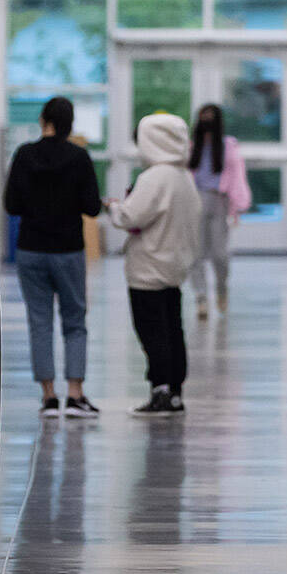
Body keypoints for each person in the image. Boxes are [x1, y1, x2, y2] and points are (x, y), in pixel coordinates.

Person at [3, 97, 103, 418]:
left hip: (31, 249)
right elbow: (92, 207)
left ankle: (48, 397)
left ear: (43, 119)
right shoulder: (79, 157)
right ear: (71, 123)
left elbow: (12, 205)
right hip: (68, 250)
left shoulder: (24, 155)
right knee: (75, 321)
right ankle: (75, 394)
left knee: (39, 321)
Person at [107, 113, 202, 416]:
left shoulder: (154, 177)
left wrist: (113, 207)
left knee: (152, 332)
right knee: (173, 331)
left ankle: (159, 390)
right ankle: (174, 392)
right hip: (174, 268)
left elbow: (130, 216)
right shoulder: (183, 177)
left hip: (147, 269)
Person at [187, 104, 252, 320]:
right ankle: (201, 298)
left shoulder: (227, 146)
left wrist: (239, 202)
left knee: (220, 255)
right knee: (195, 254)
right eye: (203, 116)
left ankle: (221, 289)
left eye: (210, 117)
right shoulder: (190, 148)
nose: (206, 121)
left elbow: (237, 175)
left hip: (219, 200)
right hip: (195, 201)